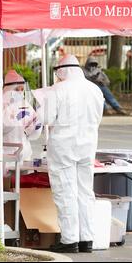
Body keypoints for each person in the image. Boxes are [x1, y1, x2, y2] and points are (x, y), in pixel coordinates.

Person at [38, 54, 104, 253]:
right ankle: (87, 239)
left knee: (65, 191)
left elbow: (46, 119)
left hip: (63, 147)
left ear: (62, 70)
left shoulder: (56, 90)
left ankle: (69, 239)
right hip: (87, 146)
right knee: (85, 192)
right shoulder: (95, 90)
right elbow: (98, 117)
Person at [0, 70, 42, 168]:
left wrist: (36, 127)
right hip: (3, 157)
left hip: (24, 155)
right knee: (7, 182)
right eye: (17, 89)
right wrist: (15, 118)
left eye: (22, 89)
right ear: (9, 88)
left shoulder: (25, 104)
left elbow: (31, 135)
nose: (20, 92)